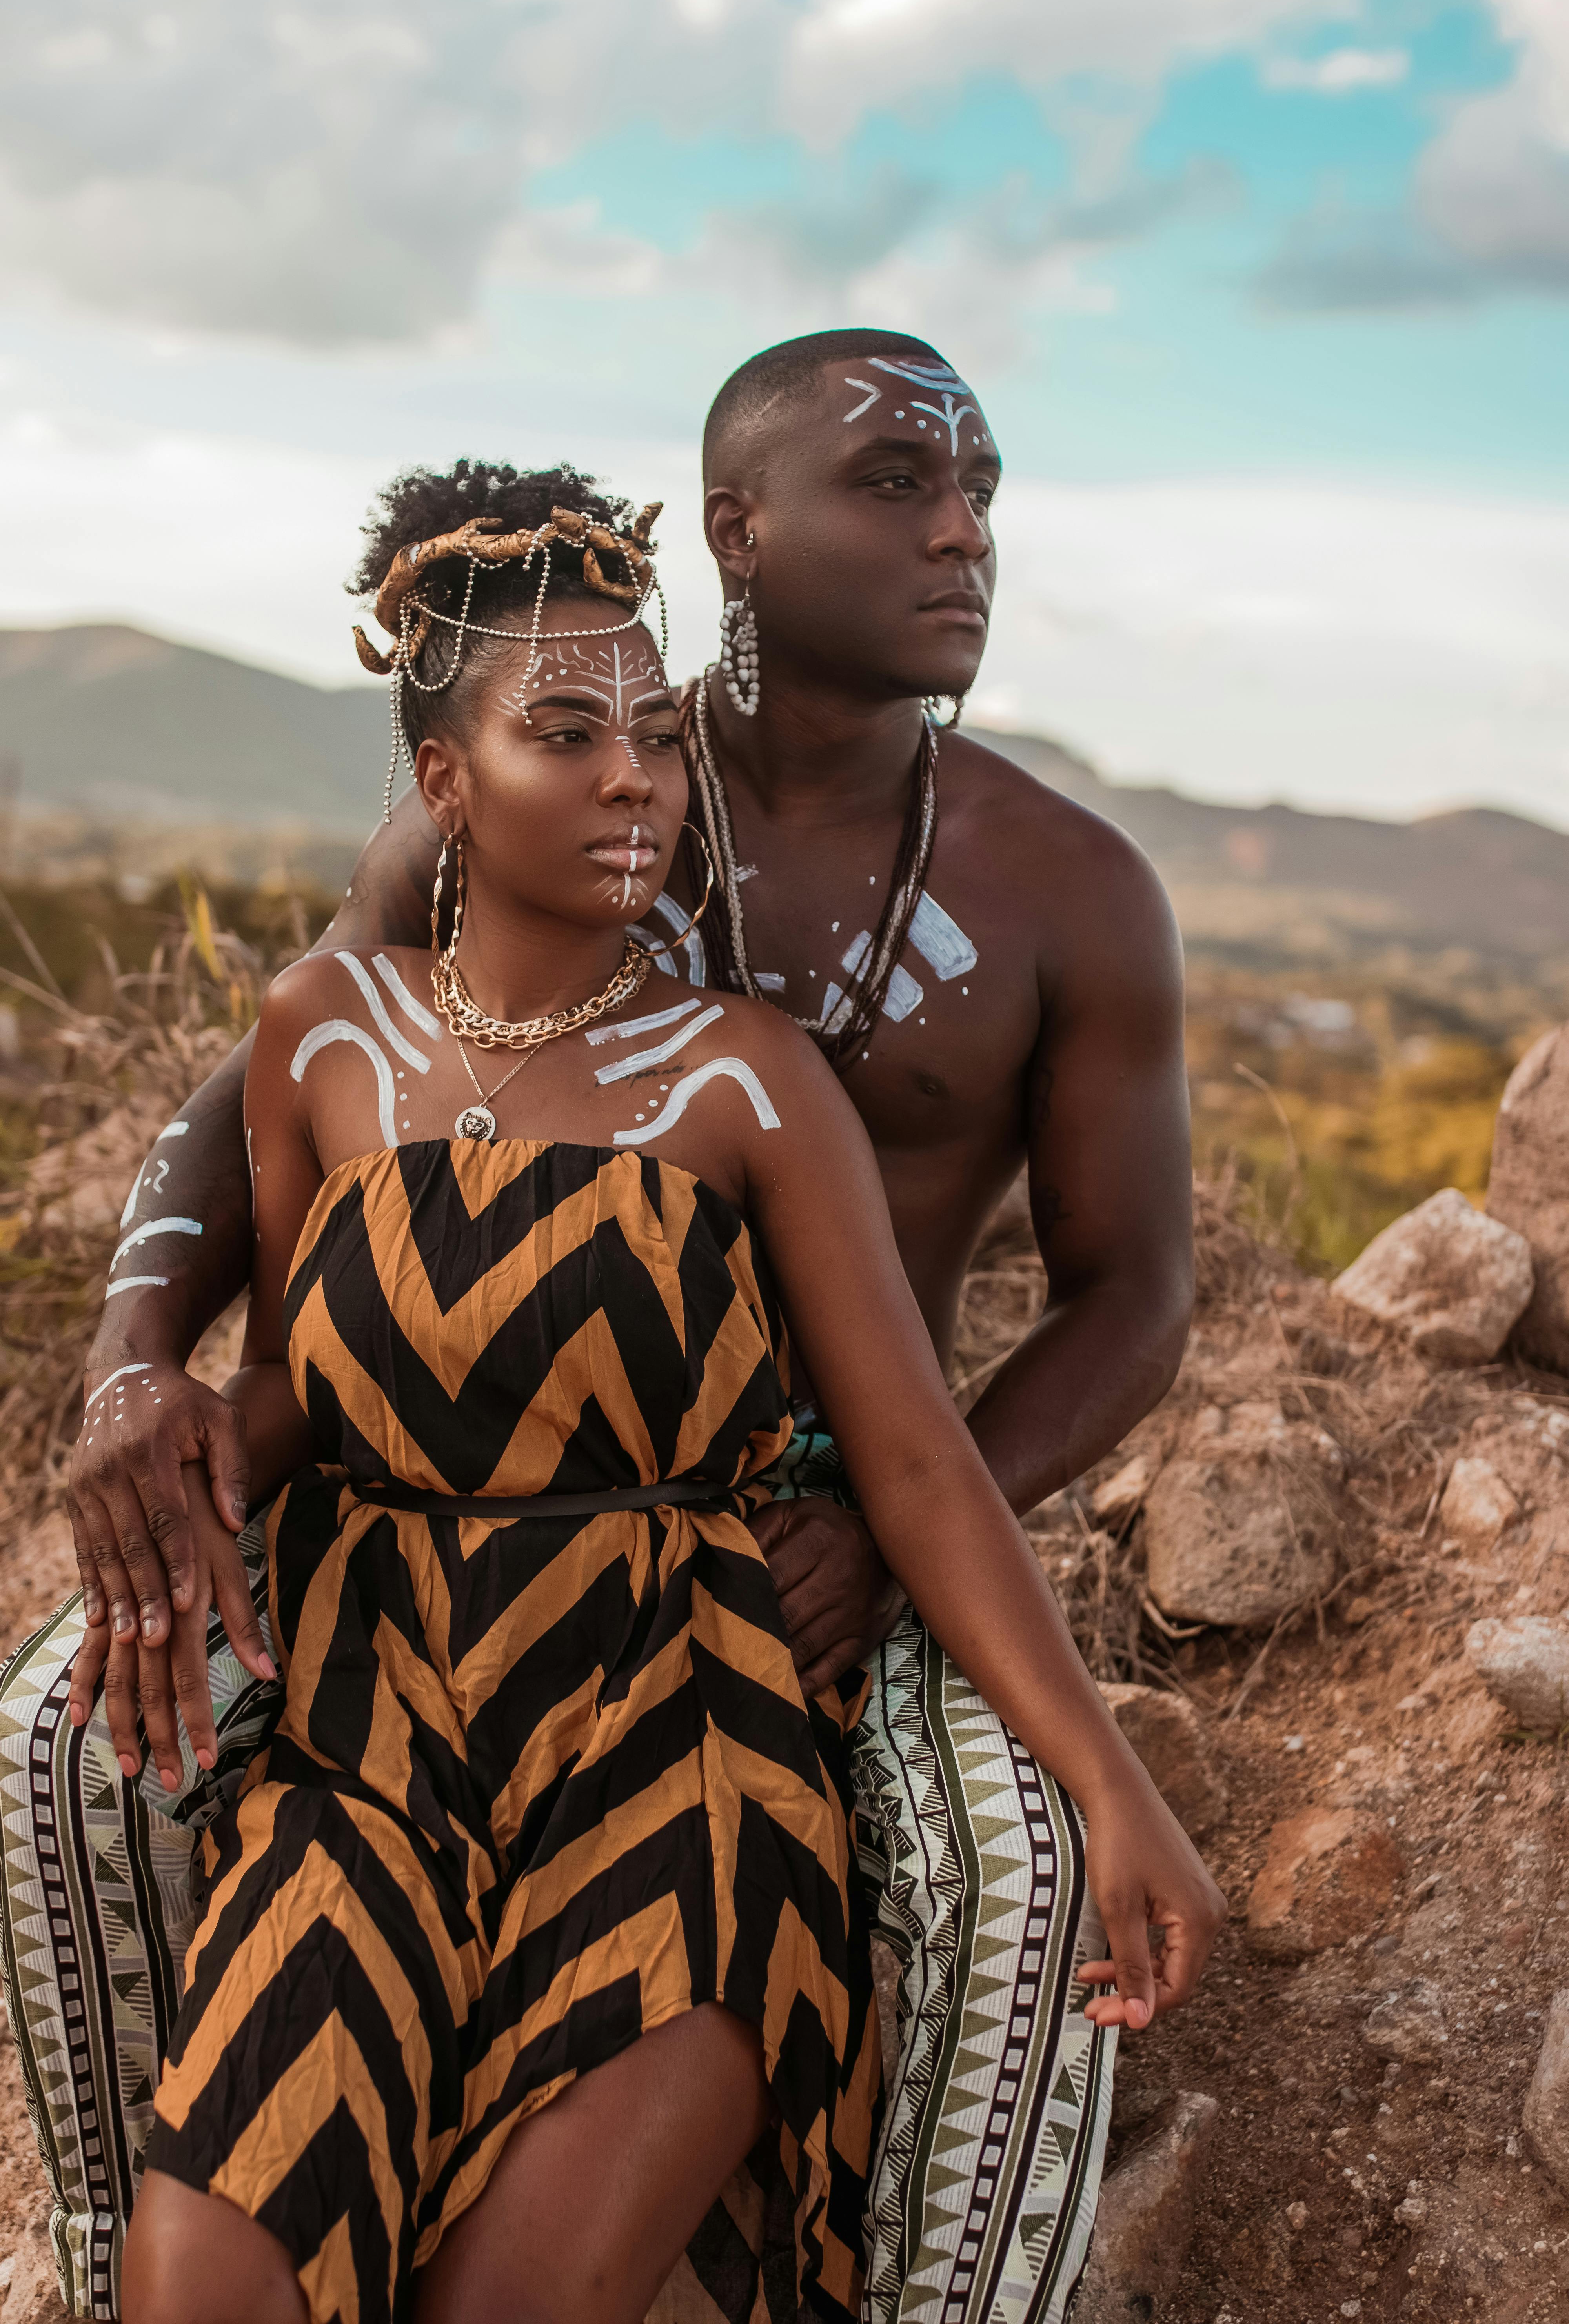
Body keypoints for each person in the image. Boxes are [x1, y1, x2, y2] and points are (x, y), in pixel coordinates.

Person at [1, 335, 1222, 2324]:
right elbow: (269, 1123)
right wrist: (146, 1364)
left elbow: (1131, 1300)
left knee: (1016, 1892)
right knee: (53, 1757)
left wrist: (918, 1573)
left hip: (788, 1541)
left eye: (980, 488)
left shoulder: (1061, 891)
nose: (963, 532)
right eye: (903, 483)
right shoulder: (527, 762)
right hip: (413, 1573)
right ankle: (101, 2223)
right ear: (739, 532)